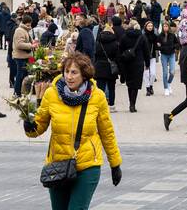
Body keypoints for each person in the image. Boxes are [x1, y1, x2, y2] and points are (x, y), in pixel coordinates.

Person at [25, 53, 122, 209]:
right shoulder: (52, 94)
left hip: (87, 165)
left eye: (74, 72)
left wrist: (115, 164)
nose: (69, 76)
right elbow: (39, 126)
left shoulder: (97, 97)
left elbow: (107, 133)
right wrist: (30, 126)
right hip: (58, 164)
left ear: (84, 75)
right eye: (66, 71)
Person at [118, 20, 149, 112]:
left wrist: (121, 62)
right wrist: (147, 63)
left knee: (129, 84)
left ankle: (130, 103)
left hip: (127, 62)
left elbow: (120, 50)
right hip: (138, 62)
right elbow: (146, 51)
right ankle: (132, 104)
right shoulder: (142, 37)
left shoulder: (124, 36)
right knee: (135, 84)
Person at [93, 23, 119, 109]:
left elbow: (95, 55)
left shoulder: (98, 43)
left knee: (100, 88)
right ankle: (111, 105)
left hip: (99, 67)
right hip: (111, 68)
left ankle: (100, 105)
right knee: (112, 88)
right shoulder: (115, 43)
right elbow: (117, 57)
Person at [11, 14, 35, 95]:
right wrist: (31, 46)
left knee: (24, 75)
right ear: (26, 23)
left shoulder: (25, 30)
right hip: (21, 57)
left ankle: (22, 91)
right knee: (20, 75)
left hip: (26, 56)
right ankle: (17, 92)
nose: (30, 25)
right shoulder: (19, 30)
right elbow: (19, 44)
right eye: (29, 23)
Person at [158, 22, 179, 96]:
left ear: (169, 27)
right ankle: (166, 88)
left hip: (171, 54)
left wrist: (173, 46)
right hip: (163, 55)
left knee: (172, 72)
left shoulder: (172, 35)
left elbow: (177, 43)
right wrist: (160, 47)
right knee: (165, 72)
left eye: (166, 26)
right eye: (164, 26)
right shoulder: (160, 36)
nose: (165, 28)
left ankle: (169, 83)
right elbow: (157, 45)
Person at [142, 20, 159, 96]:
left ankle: (151, 85)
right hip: (144, 57)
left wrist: (158, 45)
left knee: (153, 74)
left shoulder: (155, 36)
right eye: (149, 26)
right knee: (146, 74)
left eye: (151, 26)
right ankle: (147, 88)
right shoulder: (143, 36)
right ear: (146, 27)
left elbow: (157, 46)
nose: (150, 27)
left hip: (152, 57)